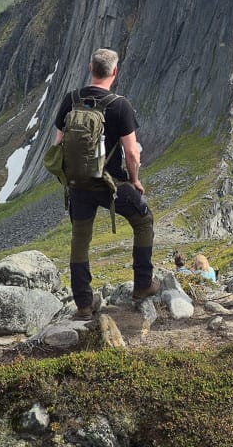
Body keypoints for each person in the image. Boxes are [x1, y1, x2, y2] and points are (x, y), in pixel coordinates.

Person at [54, 48, 159, 318]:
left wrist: (71, 177)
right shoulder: (119, 105)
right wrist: (134, 180)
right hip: (110, 184)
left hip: (78, 184)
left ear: (91, 67)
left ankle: (84, 304)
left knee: (80, 239)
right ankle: (143, 285)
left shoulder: (71, 99)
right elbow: (132, 152)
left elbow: (58, 145)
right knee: (143, 221)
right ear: (114, 72)